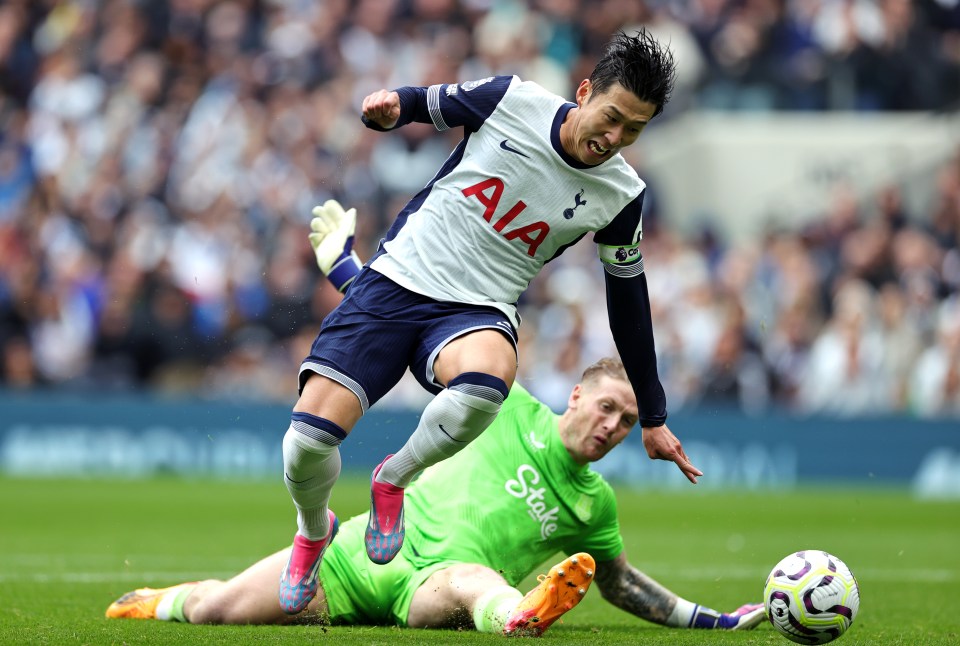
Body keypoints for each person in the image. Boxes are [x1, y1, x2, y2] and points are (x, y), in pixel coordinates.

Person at [278, 28, 702, 614]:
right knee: (305, 445)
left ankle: (393, 478)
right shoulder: (514, 100)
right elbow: (424, 103)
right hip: (396, 278)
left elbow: (627, 299)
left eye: (634, 129)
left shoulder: (622, 193)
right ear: (583, 92)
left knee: (488, 380)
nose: (615, 137)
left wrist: (653, 415)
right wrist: (387, 112)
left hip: (478, 309)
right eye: (612, 117)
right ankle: (311, 530)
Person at [106, 358, 762, 634]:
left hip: (430, 588)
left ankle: (519, 618)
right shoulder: (508, 405)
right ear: (578, 396)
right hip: (355, 555)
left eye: (627, 421)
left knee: (474, 579)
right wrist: (347, 268)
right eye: (609, 409)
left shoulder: (595, 506)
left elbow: (620, 585)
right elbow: (418, 333)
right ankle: (158, 601)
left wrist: (714, 620)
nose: (613, 428)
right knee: (219, 609)